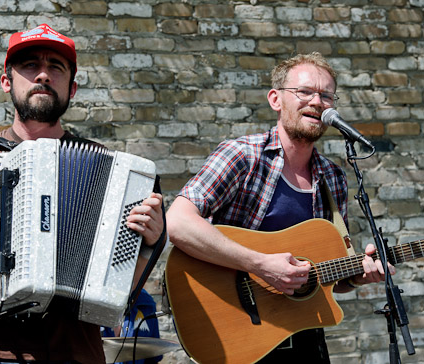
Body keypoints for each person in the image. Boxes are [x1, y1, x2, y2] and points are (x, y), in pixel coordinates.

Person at [0, 24, 165, 364]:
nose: (43, 75)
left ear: (72, 88)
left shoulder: (113, 173)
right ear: (7, 81)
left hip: (78, 354)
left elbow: (122, 286)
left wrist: (149, 242)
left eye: (56, 67)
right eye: (30, 65)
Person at [166, 52, 395, 363]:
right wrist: (260, 264)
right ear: (276, 99)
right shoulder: (242, 156)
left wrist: (358, 275)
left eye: (326, 95)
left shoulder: (333, 178)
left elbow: (326, 278)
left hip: (306, 343)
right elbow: (178, 223)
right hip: (241, 340)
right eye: (305, 92)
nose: (317, 102)